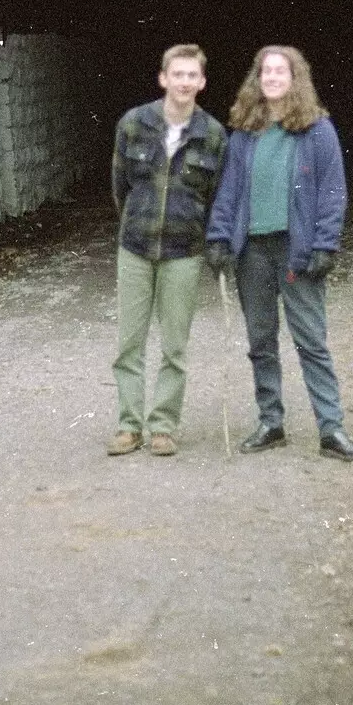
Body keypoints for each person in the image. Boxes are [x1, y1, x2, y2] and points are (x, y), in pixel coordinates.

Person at [206, 45, 353, 462]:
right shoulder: (244, 133)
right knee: (261, 340)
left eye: (282, 71)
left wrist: (325, 244)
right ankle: (270, 421)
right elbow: (229, 191)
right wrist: (220, 237)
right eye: (266, 71)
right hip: (252, 252)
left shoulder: (317, 130)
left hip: (296, 252)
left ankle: (331, 429)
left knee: (311, 341)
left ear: (297, 79)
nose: (273, 78)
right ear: (257, 80)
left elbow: (333, 193)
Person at [108, 44, 226, 457]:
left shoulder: (212, 134)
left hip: (184, 251)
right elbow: (120, 187)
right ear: (163, 78)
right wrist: (136, 222)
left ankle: (162, 425)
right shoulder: (133, 124)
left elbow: (215, 197)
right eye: (178, 74)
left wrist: (207, 238)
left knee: (175, 345)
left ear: (202, 82)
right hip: (136, 248)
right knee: (129, 343)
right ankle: (128, 425)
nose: (185, 82)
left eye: (192, 76)